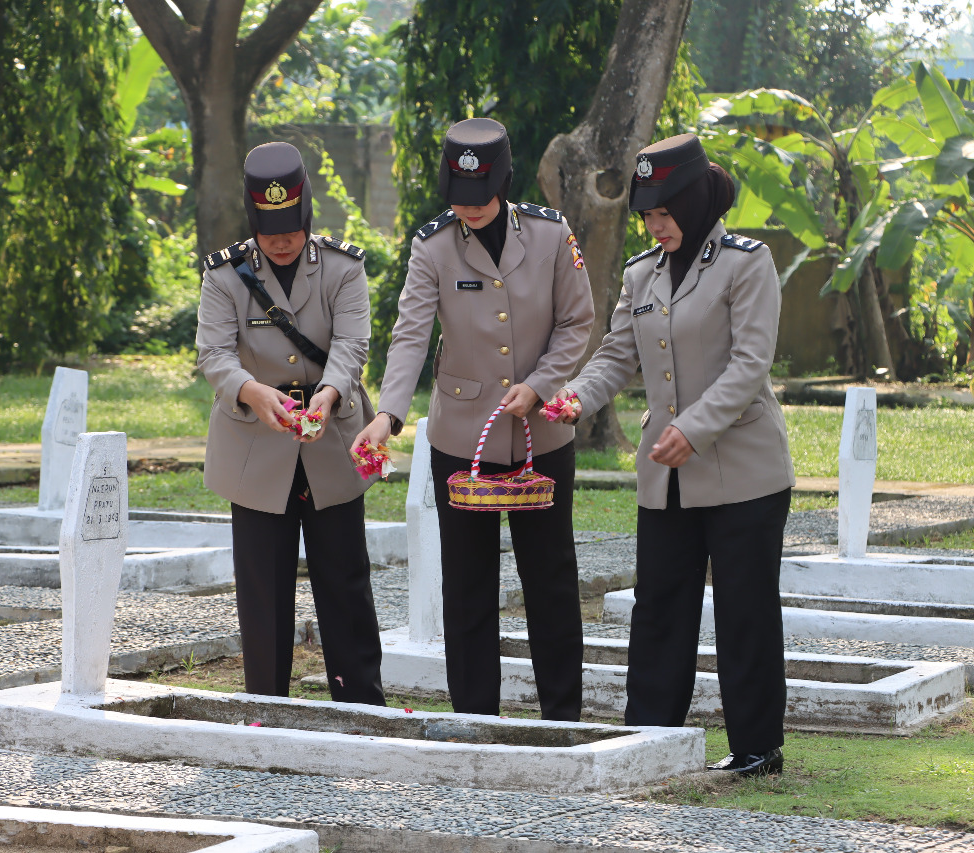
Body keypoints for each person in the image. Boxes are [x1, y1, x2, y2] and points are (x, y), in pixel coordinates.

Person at [548, 133, 794, 776]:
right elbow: (616, 356)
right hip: (667, 474)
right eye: (647, 215)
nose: (656, 226)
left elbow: (750, 365)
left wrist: (694, 427)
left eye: (664, 213)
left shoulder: (747, 264)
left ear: (693, 202)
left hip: (745, 471)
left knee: (744, 608)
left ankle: (757, 748)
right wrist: (574, 398)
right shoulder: (641, 273)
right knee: (659, 608)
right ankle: (650, 738)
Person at [353, 118, 595, 719]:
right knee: (466, 586)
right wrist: (388, 415)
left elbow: (577, 323)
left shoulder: (550, 233)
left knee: (551, 580)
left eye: (482, 195)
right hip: (463, 438)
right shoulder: (432, 245)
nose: (471, 208)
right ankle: (475, 719)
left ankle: (561, 719)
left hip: (542, 437)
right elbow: (410, 336)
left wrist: (540, 386)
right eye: (460, 198)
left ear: (503, 182)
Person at [196, 141, 386, 706]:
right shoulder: (226, 274)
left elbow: (352, 344)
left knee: (345, 581)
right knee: (263, 590)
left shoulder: (343, 267)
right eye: (268, 231)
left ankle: (361, 708)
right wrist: (252, 392)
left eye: (291, 229)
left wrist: (328, 394)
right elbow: (214, 354)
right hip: (256, 443)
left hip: (331, 438)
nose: (280, 241)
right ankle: (266, 709)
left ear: (306, 214)